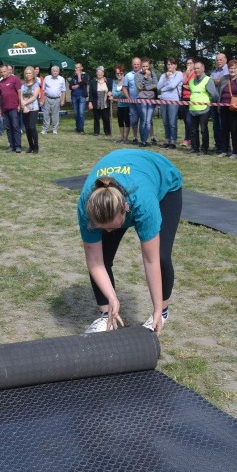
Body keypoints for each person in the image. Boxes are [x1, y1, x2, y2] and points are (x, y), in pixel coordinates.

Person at [79, 149, 182, 335]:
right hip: (124, 181)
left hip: (165, 183)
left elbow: (151, 261)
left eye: (111, 227)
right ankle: (106, 316)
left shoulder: (143, 203)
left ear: (125, 209)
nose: (108, 232)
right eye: (103, 228)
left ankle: (163, 313)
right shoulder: (88, 206)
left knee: (161, 256)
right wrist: (112, 298)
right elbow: (95, 261)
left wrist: (157, 308)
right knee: (103, 255)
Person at [217, 59, 237, 158]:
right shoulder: (223, 78)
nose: (232, 70)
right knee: (224, 129)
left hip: (236, 108)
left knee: (234, 129)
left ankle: (235, 151)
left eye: (235, 68)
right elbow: (219, 91)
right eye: (231, 68)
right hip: (224, 107)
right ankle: (224, 150)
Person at [187, 60, 218, 155]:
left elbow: (214, 95)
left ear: (203, 69)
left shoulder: (208, 80)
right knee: (193, 130)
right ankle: (194, 147)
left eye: (198, 68)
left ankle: (204, 149)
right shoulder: (191, 81)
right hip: (192, 109)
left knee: (204, 130)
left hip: (204, 109)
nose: (196, 70)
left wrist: (210, 103)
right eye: (195, 68)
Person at [157, 58, 183, 148]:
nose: (170, 66)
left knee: (172, 122)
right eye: (168, 64)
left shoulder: (179, 74)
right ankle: (167, 140)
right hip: (163, 100)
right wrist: (165, 78)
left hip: (174, 100)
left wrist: (163, 89)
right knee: (165, 122)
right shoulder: (164, 75)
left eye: (172, 64)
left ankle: (173, 141)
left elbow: (172, 85)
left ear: (175, 65)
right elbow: (158, 86)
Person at [0, 63, 23, 152]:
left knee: (15, 126)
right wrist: (1, 109)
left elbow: (19, 92)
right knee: (8, 128)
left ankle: (18, 146)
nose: (3, 73)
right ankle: (11, 145)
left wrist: (20, 104)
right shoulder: (0, 83)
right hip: (5, 108)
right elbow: (1, 96)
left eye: (4, 71)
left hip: (14, 107)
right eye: (1, 72)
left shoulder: (15, 79)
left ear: (8, 71)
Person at [134, 59, 158, 146]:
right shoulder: (137, 75)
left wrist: (146, 88)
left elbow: (156, 85)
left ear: (149, 66)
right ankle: (143, 140)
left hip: (151, 99)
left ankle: (145, 140)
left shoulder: (153, 73)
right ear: (141, 66)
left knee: (148, 120)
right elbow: (139, 87)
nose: (145, 68)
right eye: (143, 66)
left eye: (146, 66)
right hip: (141, 99)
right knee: (143, 120)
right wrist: (145, 77)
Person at [210, 53, 229, 152]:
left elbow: (221, 82)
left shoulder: (228, 70)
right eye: (217, 60)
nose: (218, 61)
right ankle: (218, 145)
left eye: (220, 59)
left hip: (224, 101)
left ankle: (225, 146)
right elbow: (210, 82)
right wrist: (215, 81)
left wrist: (215, 81)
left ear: (225, 60)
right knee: (215, 125)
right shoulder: (214, 71)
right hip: (214, 100)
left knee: (224, 125)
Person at [20, 66, 41, 154]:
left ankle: (36, 147)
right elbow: (20, 96)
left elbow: (34, 97)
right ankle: (30, 146)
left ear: (33, 74)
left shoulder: (36, 85)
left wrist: (25, 103)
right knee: (27, 128)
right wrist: (23, 105)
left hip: (33, 109)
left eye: (29, 73)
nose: (28, 75)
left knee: (32, 127)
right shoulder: (23, 85)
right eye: (26, 73)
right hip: (24, 109)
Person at [88, 66, 112, 136]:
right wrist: (90, 102)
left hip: (105, 103)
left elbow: (111, 89)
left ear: (103, 73)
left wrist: (110, 92)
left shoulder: (108, 81)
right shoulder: (93, 82)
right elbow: (91, 93)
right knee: (96, 118)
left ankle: (107, 132)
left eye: (101, 72)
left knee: (106, 118)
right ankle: (96, 132)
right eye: (98, 72)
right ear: (96, 73)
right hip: (96, 103)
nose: (99, 74)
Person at [42, 65, 66, 134]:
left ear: (59, 72)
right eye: (54, 71)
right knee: (46, 114)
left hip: (57, 99)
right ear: (51, 71)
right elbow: (43, 90)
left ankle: (54, 129)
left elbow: (63, 91)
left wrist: (63, 100)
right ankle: (45, 129)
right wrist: (43, 99)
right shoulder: (46, 78)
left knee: (55, 115)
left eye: (56, 71)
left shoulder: (61, 79)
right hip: (47, 98)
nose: (55, 72)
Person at [123, 57, 142, 143]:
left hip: (144, 101)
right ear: (132, 64)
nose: (136, 66)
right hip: (133, 102)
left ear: (140, 64)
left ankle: (146, 138)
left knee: (145, 121)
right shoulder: (128, 75)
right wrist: (129, 99)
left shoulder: (145, 73)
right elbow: (124, 88)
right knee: (134, 121)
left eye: (138, 64)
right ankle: (135, 137)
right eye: (134, 64)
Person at [110, 65, 130, 143]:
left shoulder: (126, 81)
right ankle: (121, 137)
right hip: (120, 105)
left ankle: (126, 138)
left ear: (123, 73)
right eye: (117, 73)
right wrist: (122, 91)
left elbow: (126, 93)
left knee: (127, 121)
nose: (119, 75)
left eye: (120, 73)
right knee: (120, 121)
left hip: (127, 105)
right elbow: (114, 93)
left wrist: (122, 92)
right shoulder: (115, 82)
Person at [180, 58, 195, 147]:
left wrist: (186, 85)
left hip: (191, 99)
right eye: (187, 63)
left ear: (194, 64)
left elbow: (192, 86)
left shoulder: (195, 74)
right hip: (183, 99)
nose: (189, 65)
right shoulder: (183, 74)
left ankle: (188, 139)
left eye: (191, 63)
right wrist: (186, 75)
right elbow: (182, 83)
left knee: (189, 120)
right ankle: (188, 138)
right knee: (186, 120)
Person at [71, 63, 88, 133]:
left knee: (81, 113)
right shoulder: (73, 76)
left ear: (81, 68)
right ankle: (77, 127)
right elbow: (70, 86)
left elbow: (82, 83)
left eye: (78, 67)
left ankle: (81, 129)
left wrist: (78, 75)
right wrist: (74, 86)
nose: (76, 69)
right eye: (75, 68)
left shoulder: (85, 75)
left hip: (82, 96)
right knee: (75, 113)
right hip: (74, 96)